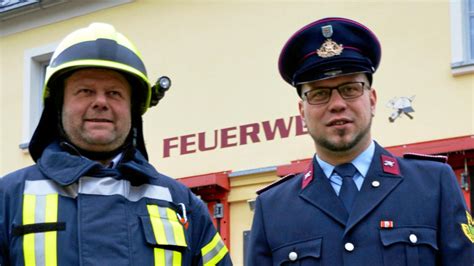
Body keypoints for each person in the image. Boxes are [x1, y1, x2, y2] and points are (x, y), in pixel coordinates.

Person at [0, 22, 232, 266]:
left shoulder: (182, 204)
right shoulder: (7, 198)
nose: (101, 102)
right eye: (85, 91)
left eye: (114, 93)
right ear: (59, 106)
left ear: (133, 109)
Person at [247, 17, 473, 265]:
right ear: (302, 111)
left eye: (350, 89)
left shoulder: (433, 184)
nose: (337, 104)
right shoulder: (273, 209)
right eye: (320, 93)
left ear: (372, 99)